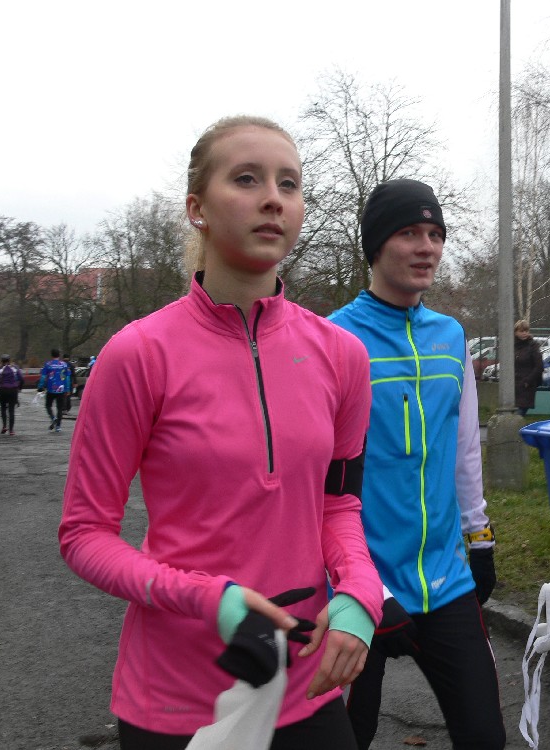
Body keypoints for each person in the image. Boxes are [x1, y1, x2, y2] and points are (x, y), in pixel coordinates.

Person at [58, 115, 383, 749]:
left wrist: (361, 592)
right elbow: (84, 535)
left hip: (303, 686)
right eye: (247, 179)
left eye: (289, 184)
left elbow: (338, 504)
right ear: (197, 208)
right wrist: (211, 599)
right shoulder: (138, 354)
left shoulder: (342, 355)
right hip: (176, 699)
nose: (273, 199)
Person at [329, 178, 506, 750]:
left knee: (485, 736)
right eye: (409, 233)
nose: (426, 247)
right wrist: (355, 581)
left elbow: (465, 447)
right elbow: (316, 478)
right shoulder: (335, 338)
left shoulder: (450, 336)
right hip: (361, 582)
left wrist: (480, 538)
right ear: (376, 245)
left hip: (443, 579)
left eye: (435, 234)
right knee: (346, 738)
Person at [514, 319, 544, 416]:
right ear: (516, 332)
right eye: (521, 331)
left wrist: (528, 381)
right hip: (514, 386)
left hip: (526, 386)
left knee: (519, 414)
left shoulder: (533, 346)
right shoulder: (512, 346)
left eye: (526, 331)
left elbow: (539, 366)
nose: (524, 333)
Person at [37, 348, 71, 432]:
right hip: (61, 389)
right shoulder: (64, 365)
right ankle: (58, 426)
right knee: (60, 408)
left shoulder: (48, 364)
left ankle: (53, 417)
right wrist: (67, 389)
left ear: (51, 355)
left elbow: (43, 377)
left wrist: (40, 386)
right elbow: (67, 377)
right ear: (59, 355)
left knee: (48, 405)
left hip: (51, 389)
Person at [0, 355, 22, 435]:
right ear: (9, 360)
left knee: (3, 408)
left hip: (3, 390)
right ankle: (11, 430)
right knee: (11, 410)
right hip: (13, 390)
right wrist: (19, 387)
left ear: (2, 361)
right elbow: (21, 378)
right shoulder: (14, 368)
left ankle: (4, 426)